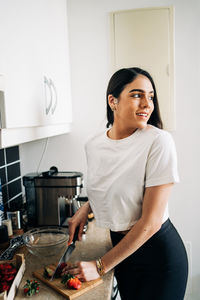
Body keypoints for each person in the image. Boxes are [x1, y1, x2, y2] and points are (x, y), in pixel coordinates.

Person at [62, 67, 188, 300]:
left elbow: (150, 223)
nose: (147, 104)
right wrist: (87, 207)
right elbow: (111, 183)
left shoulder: (159, 142)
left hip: (157, 257)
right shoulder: (93, 144)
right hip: (121, 250)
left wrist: (99, 266)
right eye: (137, 94)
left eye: (150, 96)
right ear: (113, 101)